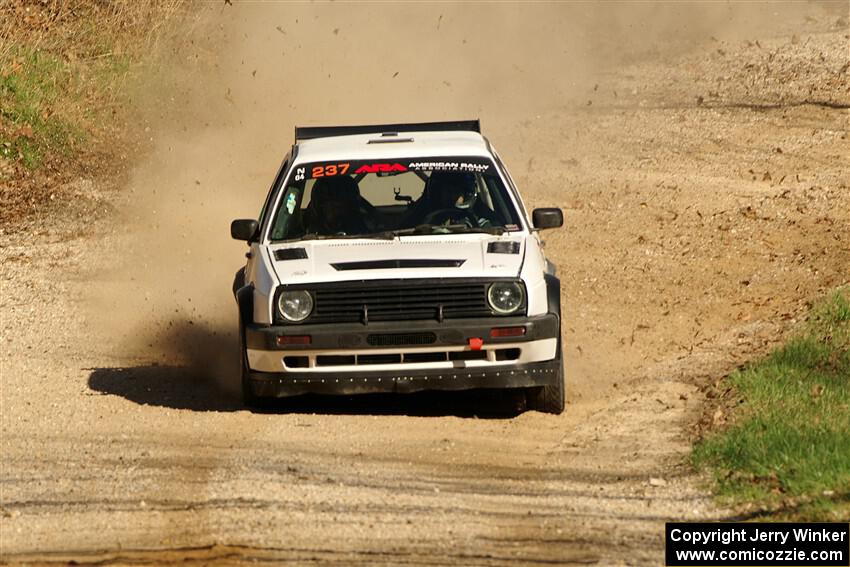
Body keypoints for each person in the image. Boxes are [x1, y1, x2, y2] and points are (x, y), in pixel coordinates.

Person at [405, 171, 494, 227]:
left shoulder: (482, 225)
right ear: (439, 193)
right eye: (448, 191)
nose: (452, 197)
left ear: (467, 195)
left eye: (456, 192)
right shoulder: (421, 219)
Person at [303, 176, 370, 236]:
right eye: (329, 203)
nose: (334, 209)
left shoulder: (364, 226)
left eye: (338, 205)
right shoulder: (309, 230)